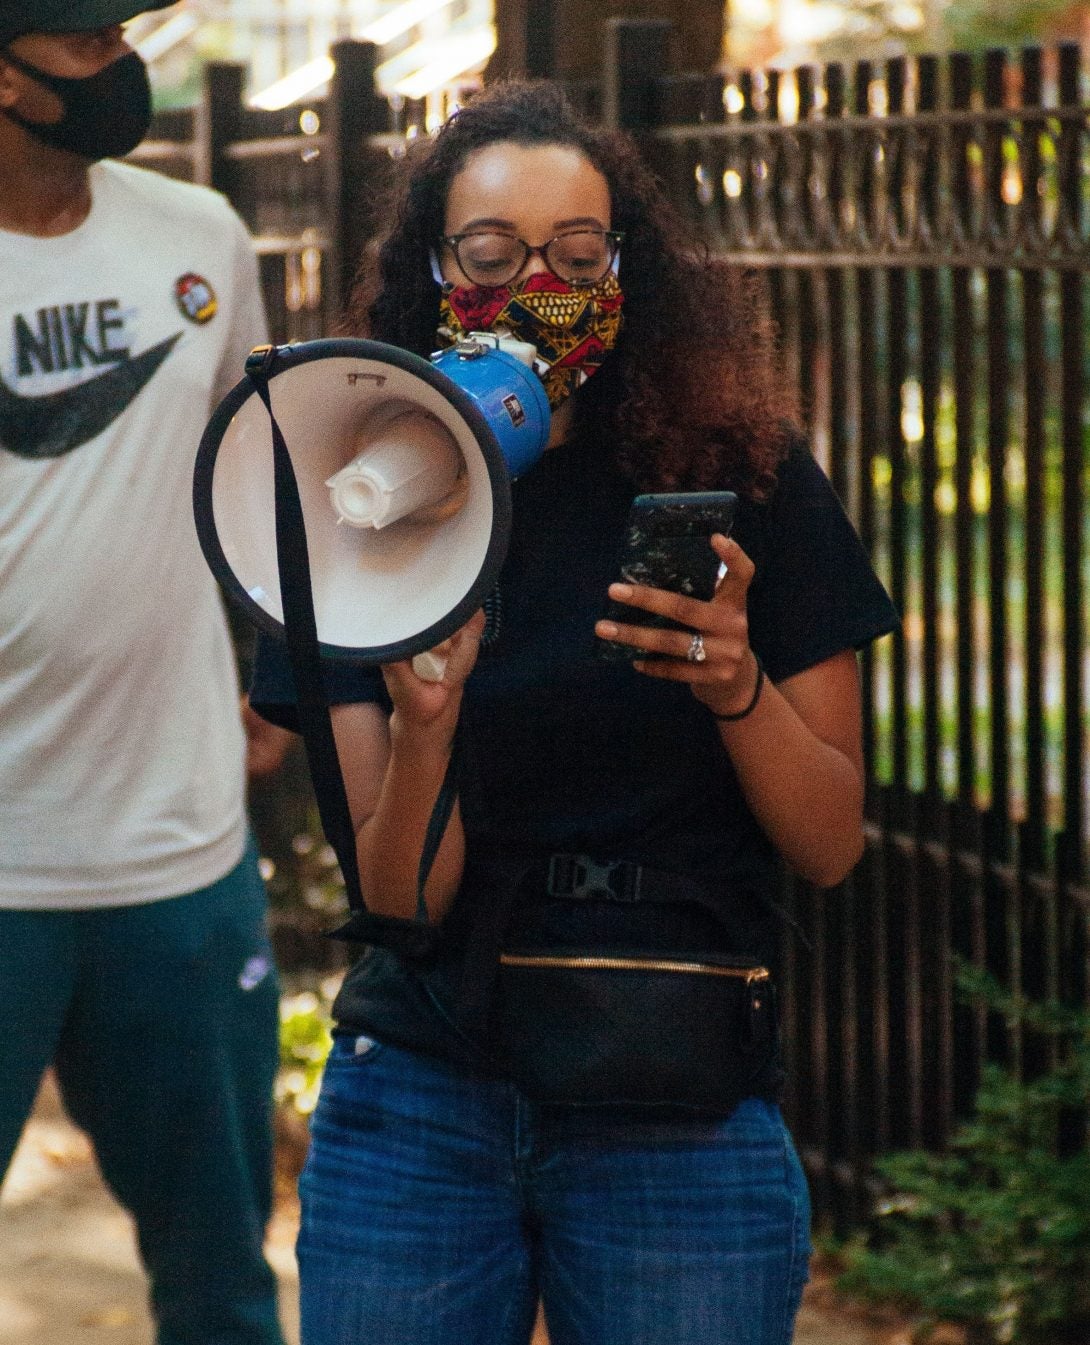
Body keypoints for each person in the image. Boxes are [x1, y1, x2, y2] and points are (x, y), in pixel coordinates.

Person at [251, 80, 899, 1345]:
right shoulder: (353, 504)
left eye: (578, 253)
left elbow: (830, 840)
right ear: (434, 270)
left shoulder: (737, 471)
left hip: (675, 1095)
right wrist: (426, 722)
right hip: (424, 1096)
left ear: (627, 265)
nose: (536, 284)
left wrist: (736, 687)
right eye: (492, 254)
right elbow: (400, 903)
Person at [0, 5, 288, 1344]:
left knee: (224, 1283)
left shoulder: (202, 239)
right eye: (78, 40)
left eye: (121, 29)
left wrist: (281, 685)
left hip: (181, 862)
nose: (121, 66)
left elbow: (267, 488)